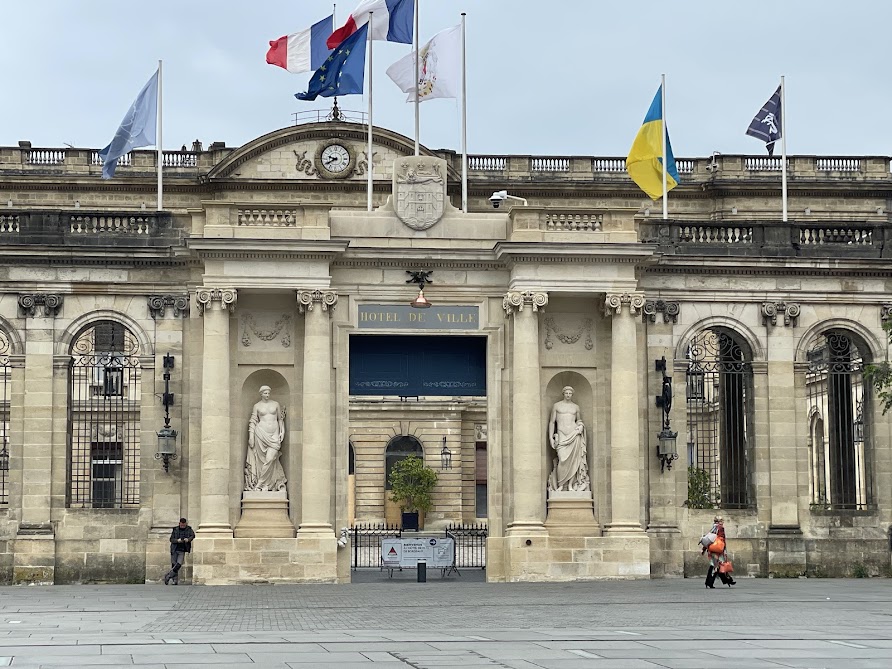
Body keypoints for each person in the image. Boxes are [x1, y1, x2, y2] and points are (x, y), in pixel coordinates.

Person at [547, 386, 591, 492]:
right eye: (566, 393)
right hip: (561, 435)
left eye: (570, 393)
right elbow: (552, 422)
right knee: (562, 460)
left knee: (573, 462)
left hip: (574, 435)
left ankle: (570, 486)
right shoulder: (556, 406)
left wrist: (580, 426)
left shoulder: (576, 407)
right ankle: (561, 485)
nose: (568, 395)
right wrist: (550, 437)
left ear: (572, 394)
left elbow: (579, 420)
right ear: (563, 394)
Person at [244, 385, 287, 491]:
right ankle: (264, 484)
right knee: (262, 461)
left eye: (268, 393)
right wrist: (251, 437)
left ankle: (260, 484)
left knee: (270, 459)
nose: (267, 395)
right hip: (260, 434)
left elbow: (280, 419)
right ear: (261, 394)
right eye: (265, 393)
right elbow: (253, 421)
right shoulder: (257, 406)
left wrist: (282, 431)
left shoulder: (275, 404)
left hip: (274, 435)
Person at [702, 515, 736, 588]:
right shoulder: (720, 528)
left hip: (713, 549)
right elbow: (722, 540)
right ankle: (710, 582)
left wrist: (704, 548)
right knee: (717, 565)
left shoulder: (713, 528)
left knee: (718, 565)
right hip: (718, 549)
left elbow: (709, 539)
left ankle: (727, 580)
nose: (723, 522)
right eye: (722, 521)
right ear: (719, 521)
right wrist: (724, 550)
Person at [163, 518, 194, 585]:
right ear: (179, 523)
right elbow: (171, 539)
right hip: (174, 549)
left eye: (184, 525)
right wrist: (177, 540)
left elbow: (193, 536)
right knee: (174, 565)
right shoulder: (175, 529)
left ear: (186, 524)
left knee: (179, 564)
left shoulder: (189, 529)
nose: (182, 526)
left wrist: (188, 539)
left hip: (182, 549)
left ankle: (168, 575)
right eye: (181, 525)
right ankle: (175, 580)